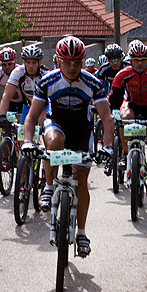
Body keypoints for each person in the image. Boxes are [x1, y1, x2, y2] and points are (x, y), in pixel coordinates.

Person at [21, 36, 114, 257]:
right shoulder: (47, 82)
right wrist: (27, 142)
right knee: (53, 141)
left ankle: (81, 233)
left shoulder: (93, 83)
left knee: (80, 181)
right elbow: (31, 117)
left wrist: (108, 147)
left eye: (77, 63)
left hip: (82, 132)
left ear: (82, 62)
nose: (72, 67)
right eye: (67, 62)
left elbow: (107, 118)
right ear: (58, 61)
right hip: (57, 126)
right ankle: (48, 187)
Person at [108, 40, 147, 198]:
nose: (140, 63)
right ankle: (125, 153)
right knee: (124, 118)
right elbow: (114, 95)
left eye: (143, 60)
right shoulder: (123, 74)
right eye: (136, 60)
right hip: (131, 105)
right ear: (131, 60)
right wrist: (112, 112)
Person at [0, 45, 47, 126]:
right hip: (28, 106)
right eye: (28, 62)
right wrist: (2, 116)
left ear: (40, 63)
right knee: (22, 131)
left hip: (44, 106)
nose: (30, 66)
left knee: (42, 122)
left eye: (34, 63)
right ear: (24, 62)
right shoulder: (18, 72)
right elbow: (6, 96)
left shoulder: (46, 74)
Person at [0, 47, 21, 112]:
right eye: (4, 64)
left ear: (15, 62)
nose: (7, 67)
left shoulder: (21, 72)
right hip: (9, 102)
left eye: (9, 64)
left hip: (24, 102)